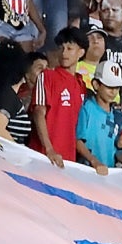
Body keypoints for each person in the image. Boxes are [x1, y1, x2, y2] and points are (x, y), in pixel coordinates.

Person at [32, 28, 88, 169]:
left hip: (68, 161)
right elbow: (38, 112)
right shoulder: (47, 76)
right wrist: (49, 149)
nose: (64, 53)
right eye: (61, 48)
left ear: (81, 52)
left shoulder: (81, 85)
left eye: (69, 49)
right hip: (44, 157)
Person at [77, 60, 122, 173]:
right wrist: (94, 161)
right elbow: (78, 141)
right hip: (86, 172)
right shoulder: (86, 108)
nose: (113, 92)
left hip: (109, 173)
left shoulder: (119, 117)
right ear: (96, 85)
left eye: (117, 87)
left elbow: (119, 149)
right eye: (109, 87)